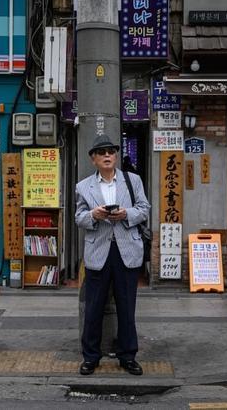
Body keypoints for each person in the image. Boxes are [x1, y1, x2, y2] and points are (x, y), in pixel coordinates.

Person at [75, 134, 150, 376]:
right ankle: (90, 357)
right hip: (98, 251)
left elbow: (144, 209)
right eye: (102, 152)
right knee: (94, 307)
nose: (108, 155)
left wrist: (126, 214)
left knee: (127, 308)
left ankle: (128, 356)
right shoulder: (83, 186)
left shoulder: (133, 180)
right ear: (94, 158)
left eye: (111, 151)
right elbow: (79, 218)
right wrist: (94, 216)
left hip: (127, 250)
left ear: (116, 156)